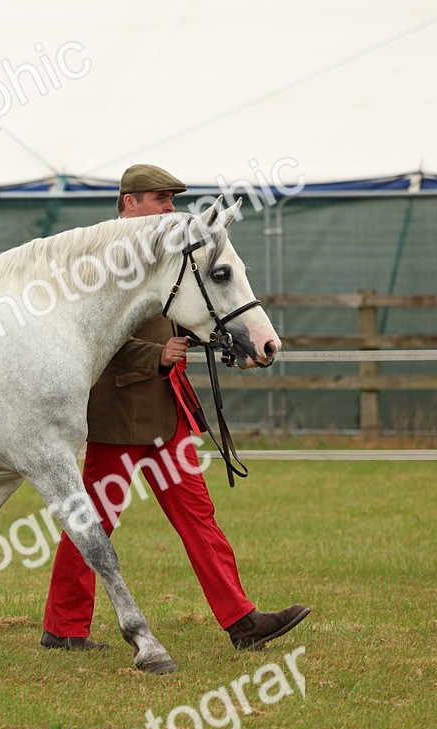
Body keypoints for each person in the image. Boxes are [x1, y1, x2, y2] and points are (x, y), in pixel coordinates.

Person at [41, 164, 310, 651]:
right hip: (120, 414)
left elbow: (190, 309)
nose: (170, 209)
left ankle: (242, 621)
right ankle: (63, 627)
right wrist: (153, 355)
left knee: (199, 518)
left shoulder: (168, 250)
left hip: (169, 412)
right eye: (160, 199)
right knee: (92, 523)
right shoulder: (99, 260)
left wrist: (226, 340)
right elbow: (90, 336)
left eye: (170, 200)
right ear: (130, 203)